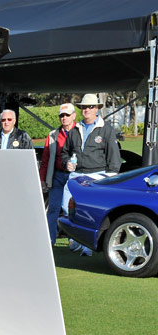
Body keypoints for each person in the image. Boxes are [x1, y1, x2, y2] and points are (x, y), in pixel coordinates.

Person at [60, 93, 121, 254]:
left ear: (97, 109)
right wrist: (66, 163)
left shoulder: (106, 129)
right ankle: (77, 238)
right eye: (84, 107)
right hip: (76, 176)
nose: (87, 109)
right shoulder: (74, 130)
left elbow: (114, 156)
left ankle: (87, 246)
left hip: (97, 176)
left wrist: (112, 177)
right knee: (67, 206)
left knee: (90, 213)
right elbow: (64, 153)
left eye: (90, 107)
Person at [39, 103, 77, 245]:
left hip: (74, 176)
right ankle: (50, 239)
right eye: (62, 115)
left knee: (70, 208)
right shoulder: (53, 135)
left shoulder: (80, 132)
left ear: (73, 116)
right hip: (57, 175)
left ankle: (73, 239)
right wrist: (42, 179)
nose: (64, 118)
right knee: (53, 208)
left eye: (67, 115)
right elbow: (45, 159)